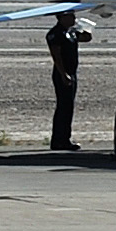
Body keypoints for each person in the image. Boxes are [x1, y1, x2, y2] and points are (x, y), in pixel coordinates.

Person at [46, 11, 82, 151]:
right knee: (64, 107)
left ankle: (64, 138)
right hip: (63, 73)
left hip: (71, 72)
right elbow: (56, 56)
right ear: (62, 17)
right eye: (71, 16)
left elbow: (86, 38)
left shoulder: (70, 32)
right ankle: (59, 140)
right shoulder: (56, 33)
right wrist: (63, 74)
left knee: (68, 107)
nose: (74, 19)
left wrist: (85, 27)